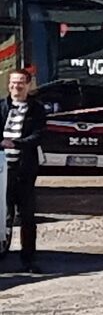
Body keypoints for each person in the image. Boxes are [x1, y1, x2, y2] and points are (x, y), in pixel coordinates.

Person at [2, 69, 48, 274]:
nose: (16, 87)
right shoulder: (1, 107)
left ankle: (28, 259)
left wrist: (16, 143)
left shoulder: (36, 110)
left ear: (28, 85)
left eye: (20, 83)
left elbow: (39, 135)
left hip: (24, 171)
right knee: (4, 215)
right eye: (13, 83)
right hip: (2, 171)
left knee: (27, 216)